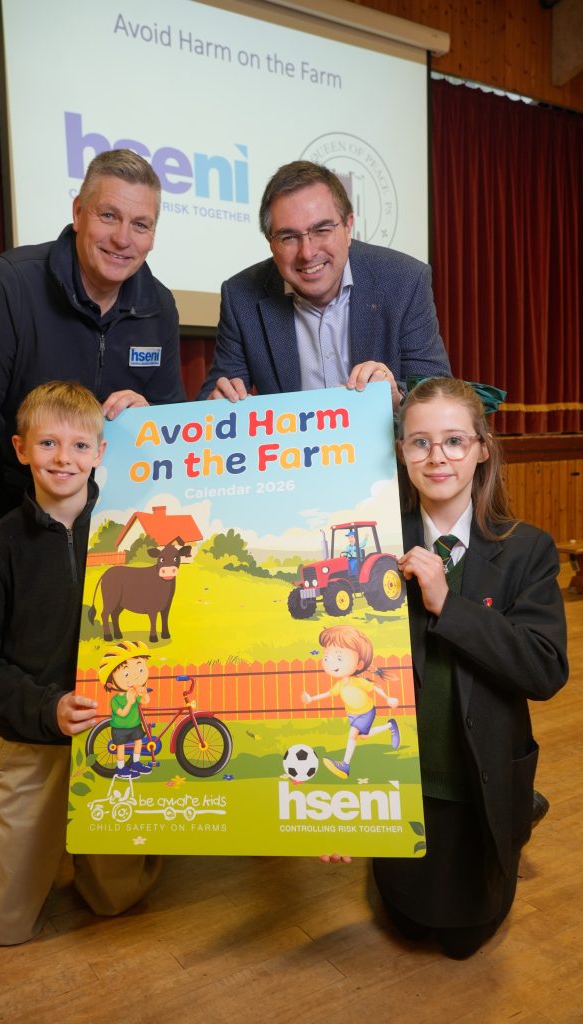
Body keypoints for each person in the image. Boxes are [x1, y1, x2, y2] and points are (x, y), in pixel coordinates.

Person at [0, 148, 185, 888]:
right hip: (13, 516)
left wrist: (147, 413)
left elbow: (163, 417)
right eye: (109, 216)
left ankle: (96, 783)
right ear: (77, 213)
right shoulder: (8, 286)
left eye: (141, 224)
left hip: (104, 524)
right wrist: (6, 534)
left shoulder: (158, 306)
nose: (123, 238)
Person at [0, 380, 161, 945]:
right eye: (48, 443)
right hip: (34, 738)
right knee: (1, 928)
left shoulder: (125, 534)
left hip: (112, 733)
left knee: (116, 901)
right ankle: (4, 839)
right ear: (21, 449)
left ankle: (116, 842)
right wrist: (46, 708)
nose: (64, 458)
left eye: (79, 445)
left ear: (100, 453)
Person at [371, 377, 568, 958]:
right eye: (420, 442)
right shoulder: (378, 545)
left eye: (455, 440)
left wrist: (447, 604)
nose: (438, 457)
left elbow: (544, 668)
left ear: (482, 448)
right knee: (405, 919)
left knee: (465, 937)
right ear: (401, 451)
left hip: (477, 783)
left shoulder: (526, 549)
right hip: (402, 783)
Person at [199, 160, 451, 408]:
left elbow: (438, 392)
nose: (307, 253)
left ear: (348, 227)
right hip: (291, 438)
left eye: (321, 230)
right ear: (271, 243)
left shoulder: (404, 280)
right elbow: (213, 398)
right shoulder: (241, 296)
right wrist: (216, 405)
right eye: (289, 237)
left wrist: (397, 399)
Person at [300, 625, 400, 779]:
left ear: (359, 664)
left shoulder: (358, 681)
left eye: (339, 658)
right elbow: (328, 693)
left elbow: (374, 688)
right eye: (326, 657)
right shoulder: (340, 684)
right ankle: (390, 726)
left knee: (353, 734)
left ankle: (345, 765)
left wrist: (387, 698)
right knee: (363, 736)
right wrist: (312, 699)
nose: (331, 663)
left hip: (366, 712)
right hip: (352, 715)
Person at [100, 641, 153, 778]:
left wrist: (144, 693)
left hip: (134, 724)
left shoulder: (134, 693)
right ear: (111, 683)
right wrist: (129, 702)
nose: (135, 677)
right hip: (120, 727)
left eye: (140, 670)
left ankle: (135, 763)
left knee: (138, 742)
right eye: (127, 673)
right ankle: (120, 768)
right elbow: (122, 713)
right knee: (121, 747)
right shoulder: (115, 700)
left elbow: (145, 701)